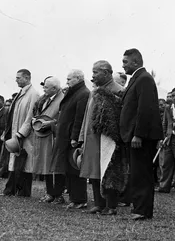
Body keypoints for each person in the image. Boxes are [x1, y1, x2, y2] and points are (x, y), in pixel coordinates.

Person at [120, 48, 163, 220]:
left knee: (141, 172)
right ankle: (139, 207)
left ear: (135, 62)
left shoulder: (144, 79)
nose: (123, 66)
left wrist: (138, 134)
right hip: (135, 134)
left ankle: (142, 210)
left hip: (140, 137)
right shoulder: (138, 79)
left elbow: (145, 109)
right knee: (137, 172)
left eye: (125, 62)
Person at [80, 61, 127, 215]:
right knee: (94, 170)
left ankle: (111, 205)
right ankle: (99, 203)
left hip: (108, 139)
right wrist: (82, 136)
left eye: (95, 72)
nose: (92, 76)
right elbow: (87, 116)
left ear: (106, 72)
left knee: (109, 169)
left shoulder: (119, 91)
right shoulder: (94, 91)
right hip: (92, 137)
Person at [50, 69, 90, 209]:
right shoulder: (74, 92)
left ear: (78, 78)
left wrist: (75, 137)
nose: (66, 82)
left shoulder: (83, 93)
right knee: (68, 169)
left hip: (71, 138)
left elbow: (79, 118)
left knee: (75, 169)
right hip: (65, 136)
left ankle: (80, 199)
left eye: (69, 79)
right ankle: (74, 198)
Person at [0, 69, 40, 197]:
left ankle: (23, 191)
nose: (16, 80)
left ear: (27, 78)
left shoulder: (33, 94)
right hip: (16, 133)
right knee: (16, 162)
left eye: (19, 78)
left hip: (23, 136)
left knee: (24, 163)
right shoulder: (21, 93)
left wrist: (21, 133)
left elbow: (31, 116)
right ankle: (11, 189)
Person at [32, 76, 65, 204]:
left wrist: (51, 123)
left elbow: (63, 118)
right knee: (46, 165)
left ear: (55, 88)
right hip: (45, 137)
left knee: (55, 166)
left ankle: (58, 194)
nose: (44, 89)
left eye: (46, 87)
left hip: (54, 137)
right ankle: (50, 192)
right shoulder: (46, 100)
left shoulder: (62, 99)